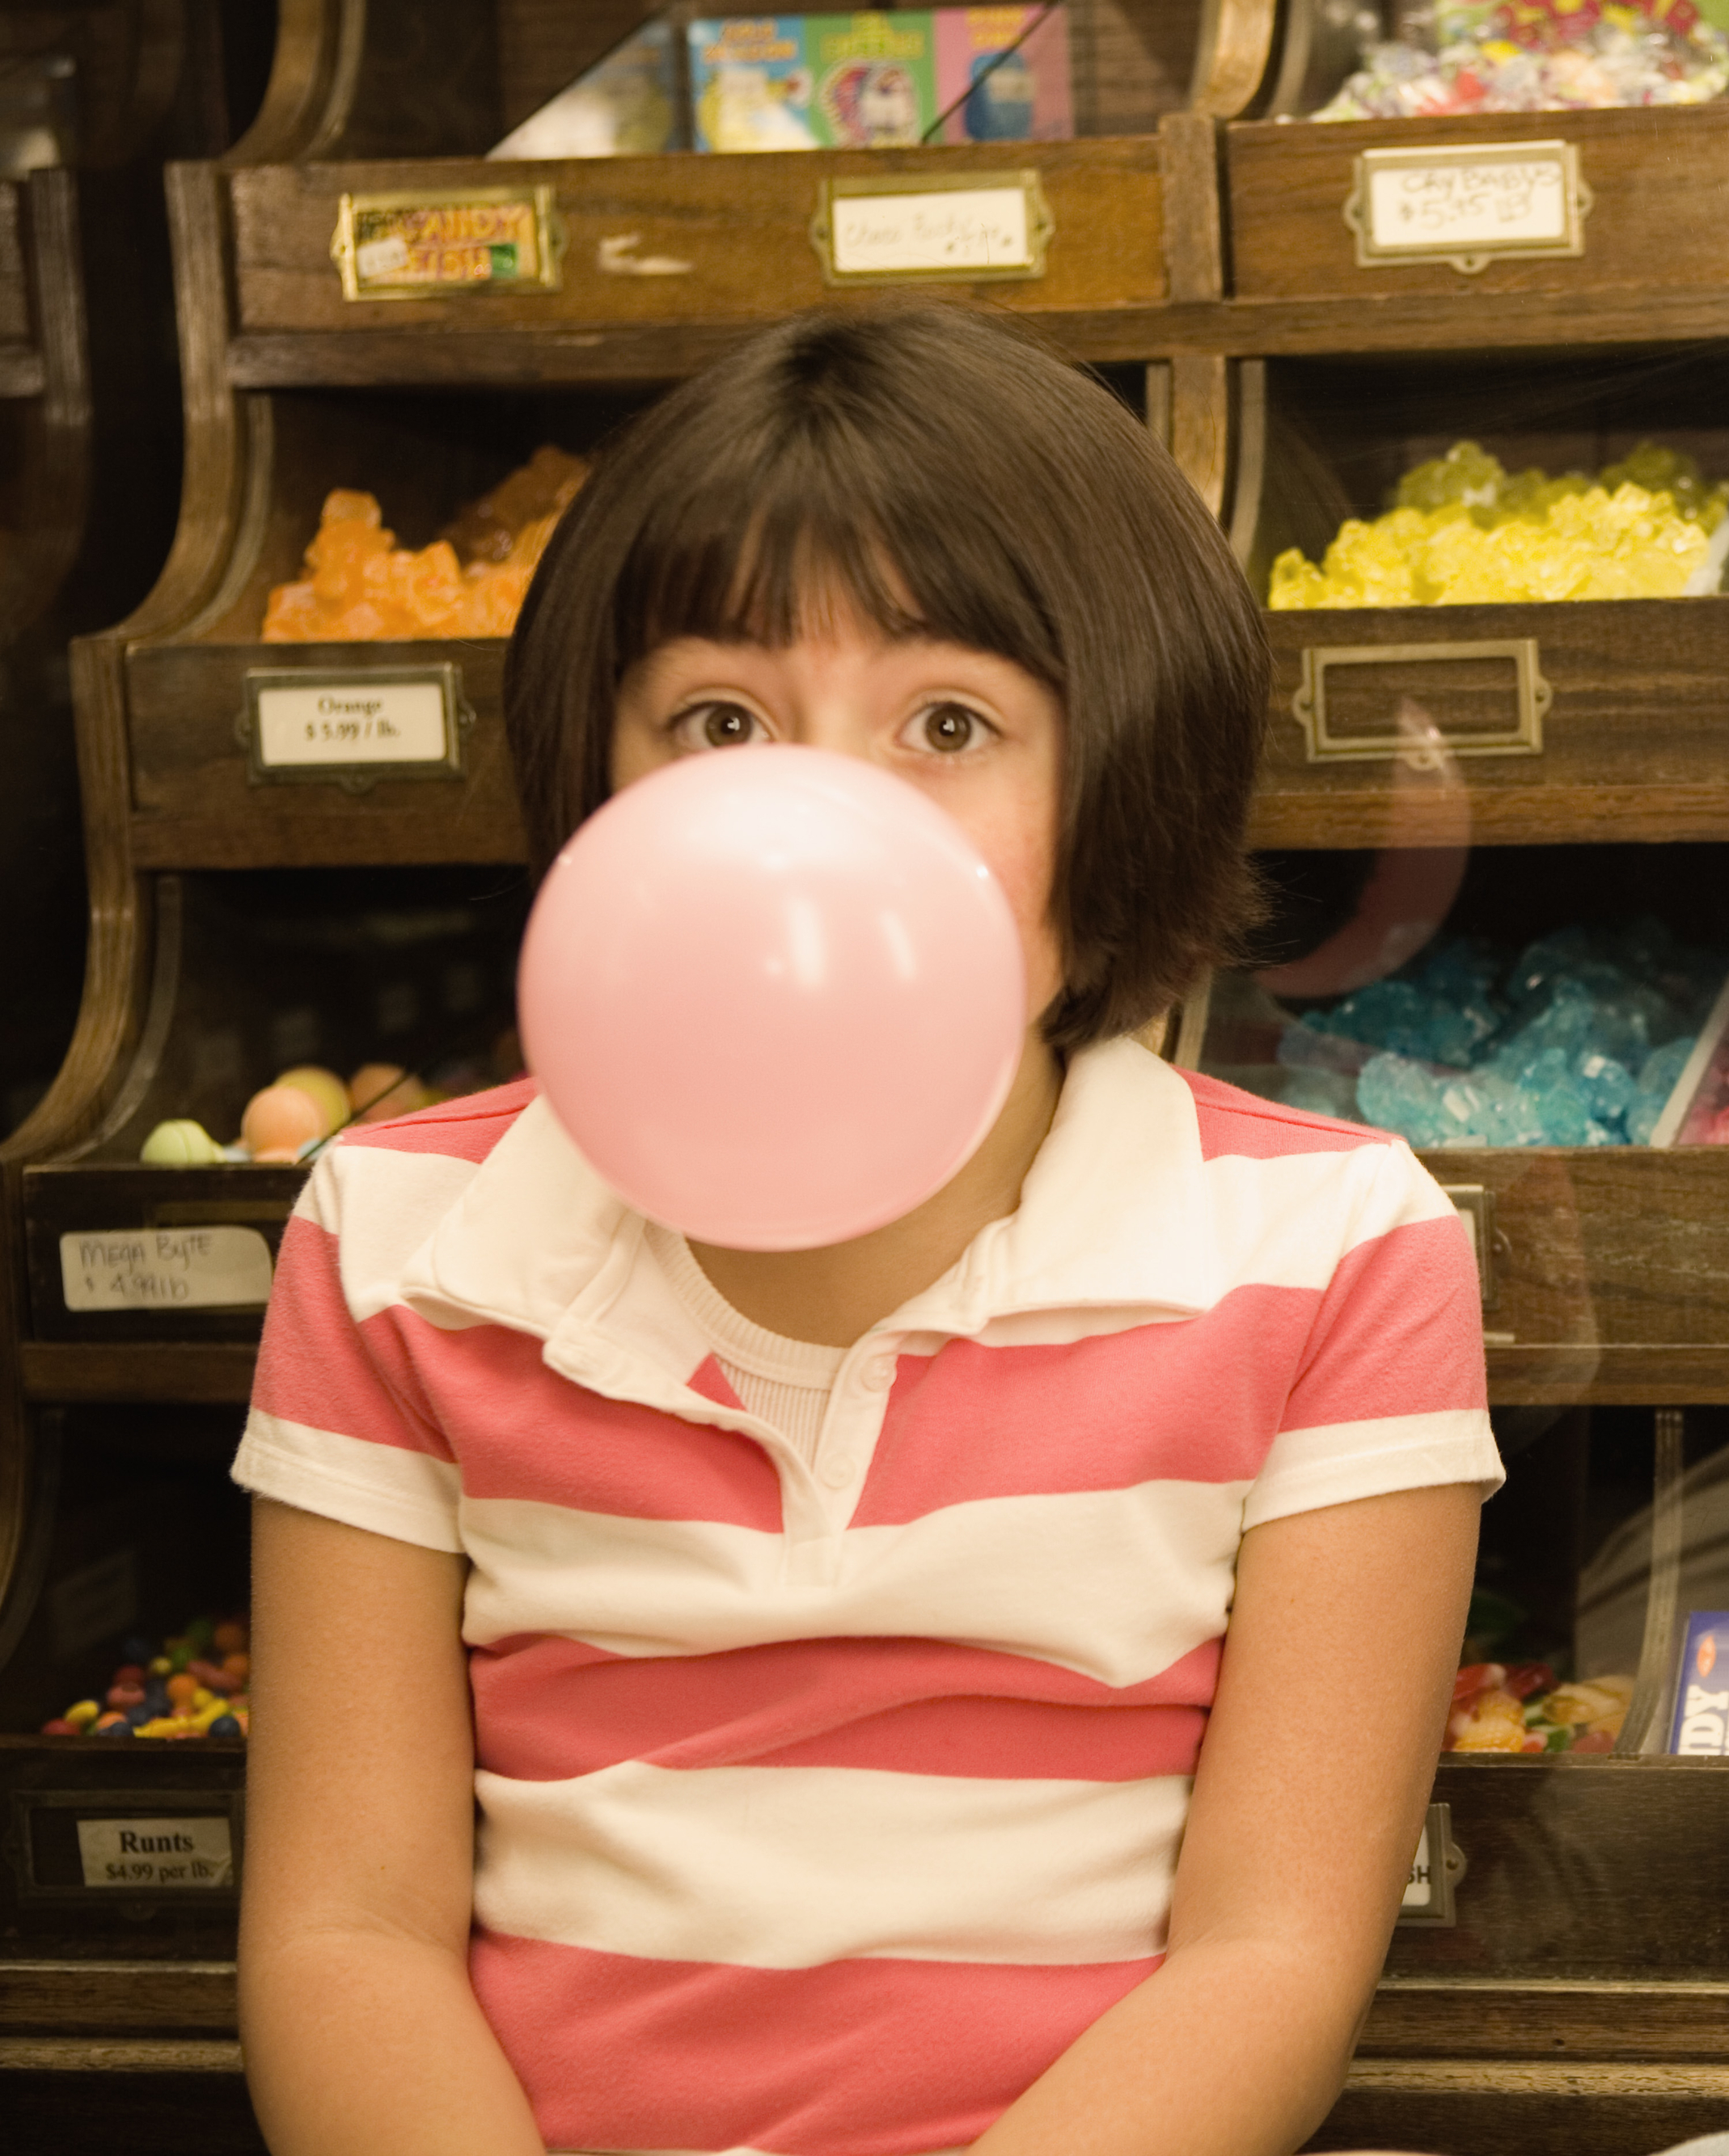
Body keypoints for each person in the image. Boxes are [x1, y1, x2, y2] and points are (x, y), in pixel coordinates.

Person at [232, 307, 1502, 2156]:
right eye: (719, 719)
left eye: (948, 722)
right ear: (597, 777)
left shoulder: (1333, 1249)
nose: (807, 813)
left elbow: (1270, 1957)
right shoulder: (397, 1232)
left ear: (1116, 786)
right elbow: (350, 1929)